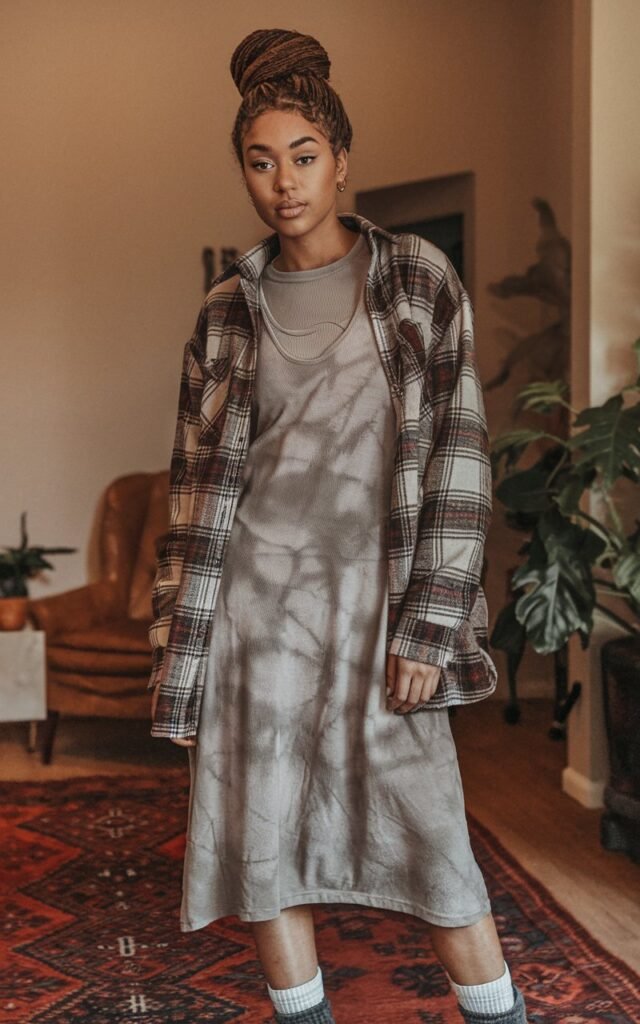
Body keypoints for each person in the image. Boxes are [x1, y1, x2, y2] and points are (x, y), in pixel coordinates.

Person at [148, 26, 530, 1024]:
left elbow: (456, 458)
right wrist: (178, 640)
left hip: (380, 604)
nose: (283, 182)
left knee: (434, 835)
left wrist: (430, 623)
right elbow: (192, 493)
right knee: (265, 847)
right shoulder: (225, 312)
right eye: (260, 160)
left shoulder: (415, 281)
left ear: (342, 160)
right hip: (255, 614)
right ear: (243, 167)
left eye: (304, 157)